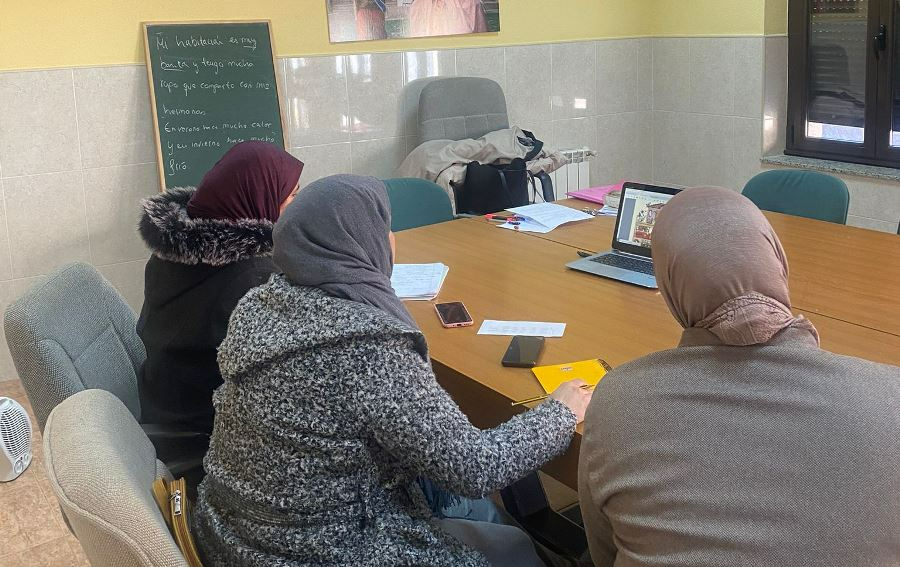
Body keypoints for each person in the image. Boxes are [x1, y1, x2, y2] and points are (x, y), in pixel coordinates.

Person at [193, 174, 593, 567]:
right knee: (511, 547)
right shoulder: (367, 348)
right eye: (383, 226)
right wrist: (560, 413)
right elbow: (475, 468)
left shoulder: (256, 306)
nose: (391, 238)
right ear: (358, 242)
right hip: (320, 548)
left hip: (232, 530)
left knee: (487, 525)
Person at [578, 186, 900, 567]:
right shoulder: (889, 395)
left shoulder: (619, 399)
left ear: (669, 285)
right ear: (776, 259)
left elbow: (604, 553)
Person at [136, 141, 303, 471]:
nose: (299, 207)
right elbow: (288, 383)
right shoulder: (251, 278)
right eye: (293, 196)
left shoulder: (173, 251)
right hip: (210, 431)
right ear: (263, 200)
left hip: (166, 398)